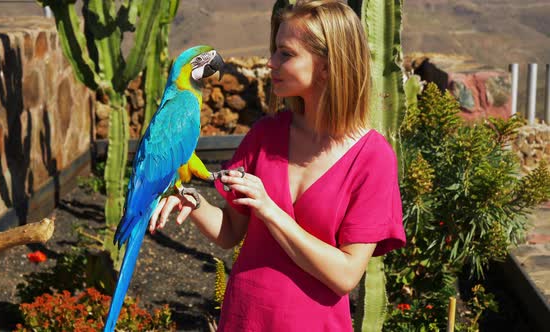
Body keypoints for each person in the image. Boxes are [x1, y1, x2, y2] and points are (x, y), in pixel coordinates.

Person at [149, 0, 406, 330]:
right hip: (244, 319)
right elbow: (229, 231)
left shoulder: (373, 157)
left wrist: (270, 211)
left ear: (328, 65)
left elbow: (345, 276)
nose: (270, 63)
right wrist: (191, 200)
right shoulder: (264, 135)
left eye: (285, 54)